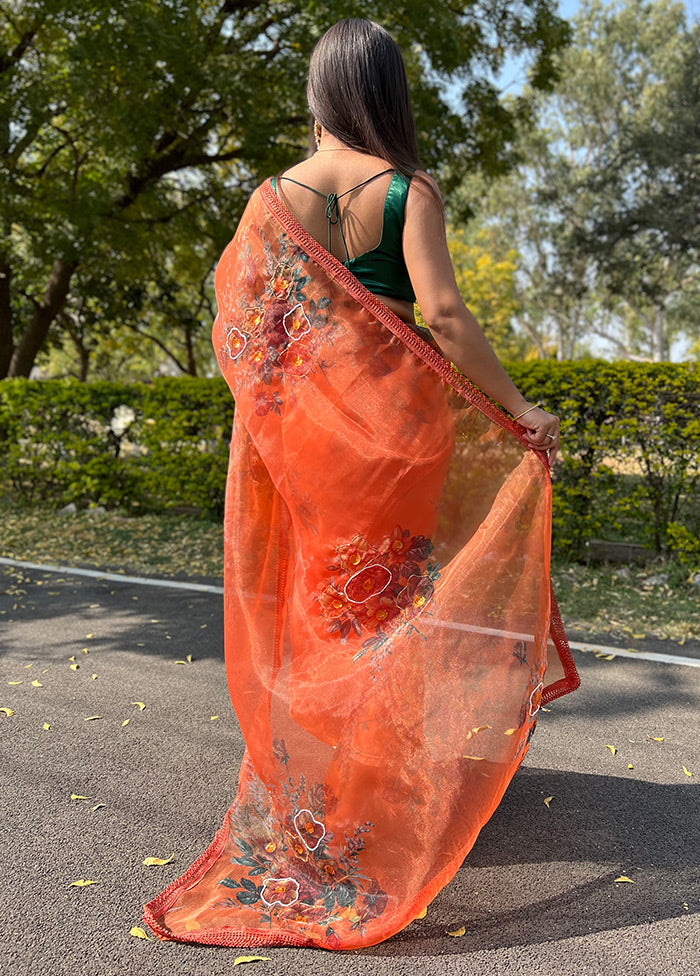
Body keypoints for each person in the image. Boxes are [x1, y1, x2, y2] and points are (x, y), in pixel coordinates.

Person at [143, 18, 579, 951]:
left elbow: (240, 322)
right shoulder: (407, 190)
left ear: (319, 93)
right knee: (397, 613)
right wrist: (521, 410)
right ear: (388, 92)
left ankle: (327, 810)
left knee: (323, 613)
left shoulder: (271, 200)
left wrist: (288, 417)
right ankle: (390, 805)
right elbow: (448, 319)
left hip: (309, 450)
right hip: (402, 441)